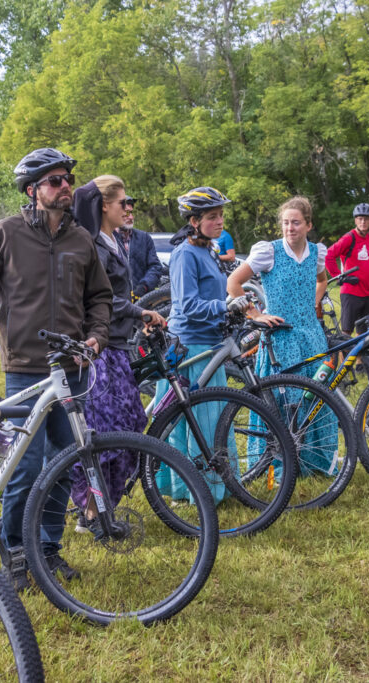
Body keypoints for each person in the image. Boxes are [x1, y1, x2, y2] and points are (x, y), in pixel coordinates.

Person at [0, 147, 111, 590]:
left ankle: (47, 548)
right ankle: (16, 551)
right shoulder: (6, 233)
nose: (65, 186)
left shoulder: (81, 239)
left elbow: (100, 297)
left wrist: (96, 335)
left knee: (65, 461)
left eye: (67, 179)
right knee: (25, 466)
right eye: (55, 181)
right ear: (33, 190)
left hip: (71, 368)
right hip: (25, 367)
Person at [71, 175, 164, 532]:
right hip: (102, 349)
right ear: (103, 205)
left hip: (118, 345)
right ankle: (90, 514)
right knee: (105, 432)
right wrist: (140, 312)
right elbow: (102, 298)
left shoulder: (113, 240)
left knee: (130, 423)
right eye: (123, 202)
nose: (128, 208)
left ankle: (101, 508)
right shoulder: (93, 243)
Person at [154, 186, 256, 501]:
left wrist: (231, 308)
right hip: (191, 346)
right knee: (197, 422)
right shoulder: (185, 254)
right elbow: (186, 305)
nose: (220, 221)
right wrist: (224, 306)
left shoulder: (208, 249)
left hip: (210, 342)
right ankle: (195, 491)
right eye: (212, 216)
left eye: (221, 215)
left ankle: (217, 485)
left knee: (213, 418)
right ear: (194, 221)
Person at [227, 195, 339, 474]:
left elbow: (322, 280)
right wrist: (255, 314)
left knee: (315, 395)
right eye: (286, 223)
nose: (290, 228)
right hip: (281, 338)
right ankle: (277, 464)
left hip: (311, 336)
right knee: (283, 398)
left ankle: (314, 460)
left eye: (296, 223)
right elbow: (234, 282)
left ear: (308, 225)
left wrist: (313, 303)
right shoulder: (270, 252)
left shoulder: (316, 253)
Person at [324, 202, 369, 334]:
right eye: (360, 219)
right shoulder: (349, 238)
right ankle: (344, 350)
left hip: (367, 293)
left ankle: (360, 349)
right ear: (355, 220)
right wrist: (340, 277)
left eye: (366, 219)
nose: (363, 222)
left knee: (365, 333)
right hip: (351, 293)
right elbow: (328, 255)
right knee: (346, 332)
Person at [116, 198, 165, 297]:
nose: (131, 217)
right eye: (126, 213)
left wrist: (144, 286)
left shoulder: (144, 238)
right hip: (116, 301)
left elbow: (155, 267)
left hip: (142, 300)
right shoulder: (107, 239)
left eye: (131, 212)